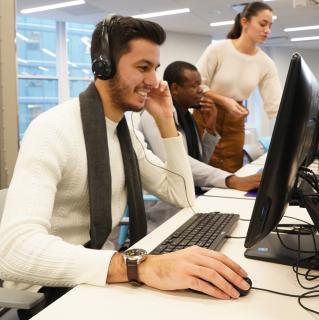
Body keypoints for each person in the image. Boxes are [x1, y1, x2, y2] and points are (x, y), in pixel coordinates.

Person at [0, 15, 250, 319]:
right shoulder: (52, 130)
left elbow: (183, 195)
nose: (153, 81)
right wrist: (139, 266)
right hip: (50, 292)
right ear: (103, 66)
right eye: (142, 67)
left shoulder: (124, 134)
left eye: (155, 69)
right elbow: (14, 251)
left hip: (99, 276)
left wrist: (165, 121)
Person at [139, 61, 261, 230]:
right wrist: (231, 180)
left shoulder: (187, 117)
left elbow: (200, 161)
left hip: (191, 197)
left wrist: (210, 128)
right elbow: (179, 164)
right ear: (175, 89)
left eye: (200, 85)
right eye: (194, 86)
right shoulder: (154, 117)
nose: (201, 90)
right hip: (165, 209)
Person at [193, 1, 282, 173]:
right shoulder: (218, 50)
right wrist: (223, 100)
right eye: (262, 24)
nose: (267, 30)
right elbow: (196, 86)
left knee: (231, 174)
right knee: (201, 171)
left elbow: (275, 105)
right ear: (244, 22)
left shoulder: (266, 63)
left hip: (235, 123)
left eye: (270, 26)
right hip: (206, 115)